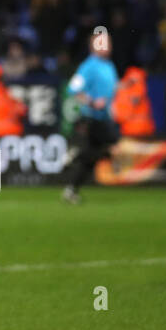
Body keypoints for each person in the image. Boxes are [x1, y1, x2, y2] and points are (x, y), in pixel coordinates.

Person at [61, 28, 119, 204]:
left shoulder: (108, 65)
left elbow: (111, 90)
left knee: (92, 158)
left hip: (104, 116)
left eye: (108, 42)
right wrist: (92, 102)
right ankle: (76, 154)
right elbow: (73, 88)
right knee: (111, 146)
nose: (107, 46)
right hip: (92, 116)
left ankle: (71, 190)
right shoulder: (89, 65)